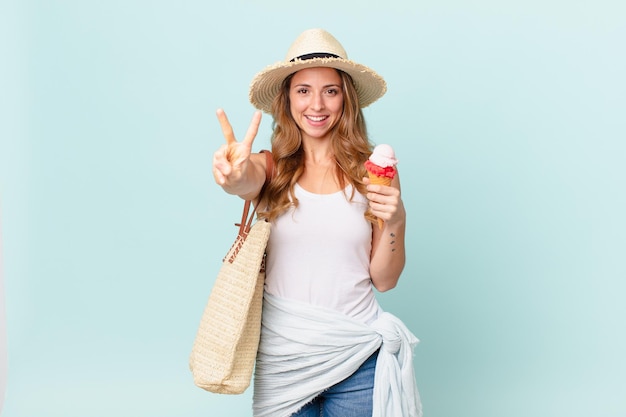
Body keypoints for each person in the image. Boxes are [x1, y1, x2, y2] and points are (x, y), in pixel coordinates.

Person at [212, 28, 422, 417]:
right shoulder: (269, 168)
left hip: (357, 358)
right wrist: (232, 175)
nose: (317, 104)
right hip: (283, 359)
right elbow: (244, 179)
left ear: (347, 98)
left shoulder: (373, 172)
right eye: (303, 90)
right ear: (288, 99)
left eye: (331, 90)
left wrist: (397, 219)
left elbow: (385, 280)